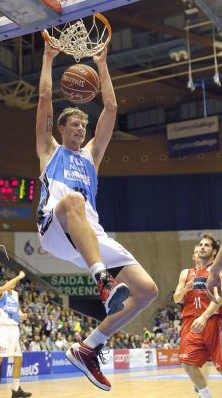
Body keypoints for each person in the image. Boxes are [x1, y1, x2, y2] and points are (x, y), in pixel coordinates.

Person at [35, 42, 158, 391]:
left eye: (82, 126)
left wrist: (102, 64)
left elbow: (112, 107)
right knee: (72, 201)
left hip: (90, 235)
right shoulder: (49, 150)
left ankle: (89, 347)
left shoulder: (92, 155)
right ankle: (102, 282)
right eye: (74, 125)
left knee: (147, 290)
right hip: (56, 226)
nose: (80, 130)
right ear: (62, 128)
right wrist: (47, 59)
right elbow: (44, 99)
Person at [179, 235, 222, 398]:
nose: (202, 247)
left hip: (214, 320)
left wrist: (204, 317)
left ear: (215, 251)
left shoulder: (216, 270)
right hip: (199, 323)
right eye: (200, 244)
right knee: (187, 362)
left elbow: (219, 297)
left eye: (207, 245)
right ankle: (206, 396)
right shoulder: (197, 273)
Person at [173, 245, 209, 395]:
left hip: (210, 317)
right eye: (196, 252)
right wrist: (186, 289)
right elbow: (176, 298)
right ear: (193, 257)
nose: (199, 254)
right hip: (190, 320)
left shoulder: (212, 272)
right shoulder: (186, 273)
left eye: (202, 251)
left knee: (209, 358)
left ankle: (202, 387)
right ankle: (203, 390)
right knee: (187, 360)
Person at [0, 272, 31, 398]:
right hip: (3, 330)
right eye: (12, 282)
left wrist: (22, 315)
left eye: (15, 283)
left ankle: (16, 389)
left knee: (18, 358)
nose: (13, 284)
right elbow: (4, 287)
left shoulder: (16, 295)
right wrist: (18, 277)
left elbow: (17, 311)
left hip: (14, 329)